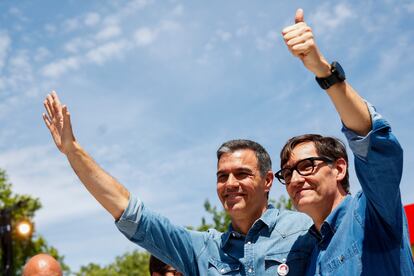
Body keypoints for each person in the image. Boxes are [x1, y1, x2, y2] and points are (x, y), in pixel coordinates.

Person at [43, 96, 315, 272]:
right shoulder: (203, 251)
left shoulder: (305, 230)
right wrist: (73, 151)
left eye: (242, 174)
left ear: (268, 180)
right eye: (222, 176)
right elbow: (131, 214)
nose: (230, 183)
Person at [275, 8, 414, 275]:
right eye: (288, 172)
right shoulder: (307, 255)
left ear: (339, 168)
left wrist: (324, 72)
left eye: (306, 165)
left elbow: (372, 142)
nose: (294, 179)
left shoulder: (373, 211)